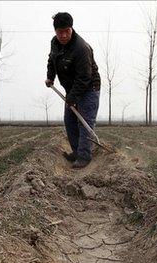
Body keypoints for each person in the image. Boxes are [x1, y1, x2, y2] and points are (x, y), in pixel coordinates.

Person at [45, 12, 101, 169]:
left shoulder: (81, 48)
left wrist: (73, 98)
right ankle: (77, 152)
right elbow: (51, 60)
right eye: (59, 32)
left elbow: (84, 78)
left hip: (89, 88)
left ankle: (84, 157)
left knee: (84, 123)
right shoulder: (54, 43)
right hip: (72, 89)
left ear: (72, 29)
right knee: (70, 121)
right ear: (55, 31)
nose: (63, 35)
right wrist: (50, 77)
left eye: (67, 31)